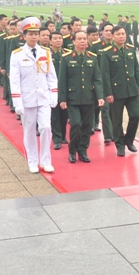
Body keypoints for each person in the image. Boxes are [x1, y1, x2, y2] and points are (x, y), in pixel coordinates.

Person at [10, 17, 58, 173]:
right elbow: (15, 81)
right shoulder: (17, 55)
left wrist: (54, 95)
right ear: (24, 36)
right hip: (27, 99)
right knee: (29, 130)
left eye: (36, 33)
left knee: (46, 127)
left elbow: (51, 76)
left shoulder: (46, 52)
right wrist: (17, 102)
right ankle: (32, 161)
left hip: (44, 97)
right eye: (30, 34)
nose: (34, 37)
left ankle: (45, 160)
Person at [59, 30, 104, 163]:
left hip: (88, 98)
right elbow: (62, 80)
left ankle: (83, 150)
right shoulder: (67, 58)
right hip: (72, 99)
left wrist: (100, 96)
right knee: (76, 124)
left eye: (85, 39)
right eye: (80, 39)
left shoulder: (92, 57)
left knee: (86, 126)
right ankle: (72, 150)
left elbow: (97, 79)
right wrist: (62, 99)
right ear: (74, 41)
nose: (83, 41)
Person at [101, 25, 139, 157]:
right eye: (118, 34)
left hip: (132, 90)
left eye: (123, 34)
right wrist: (108, 93)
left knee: (135, 115)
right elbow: (105, 74)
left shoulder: (130, 49)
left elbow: (136, 69)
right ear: (112, 36)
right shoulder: (107, 52)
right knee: (117, 120)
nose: (121, 36)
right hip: (116, 92)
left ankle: (129, 140)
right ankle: (120, 145)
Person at [49, 32, 68, 150]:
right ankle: (56, 138)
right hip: (52, 88)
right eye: (55, 39)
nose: (58, 40)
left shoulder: (66, 54)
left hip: (65, 88)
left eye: (60, 38)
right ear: (50, 41)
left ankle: (63, 135)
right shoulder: (47, 54)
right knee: (54, 114)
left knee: (64, 113)